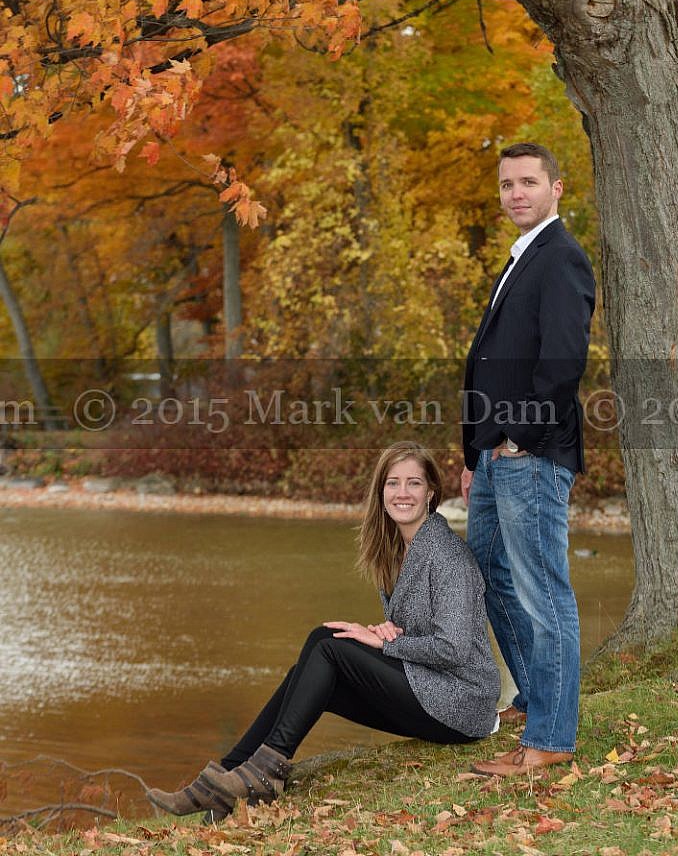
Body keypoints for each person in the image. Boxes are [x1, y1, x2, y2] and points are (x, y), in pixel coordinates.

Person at [147, 441, 500, 817]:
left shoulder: (447, 556)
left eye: (413, 483)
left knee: (328, 646)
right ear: (380, 493)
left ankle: (267, 771)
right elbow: (424, 629)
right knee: (308, 671)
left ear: (431, 492)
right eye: (392, 483)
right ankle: (227, 778)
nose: (402, 493)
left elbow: (454, 649)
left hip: (462, 704)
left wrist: (384, 646)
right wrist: (390, 633)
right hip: (428, 685)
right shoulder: (400, 550)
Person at [461, 142, 595, 778]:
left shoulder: (561, 258)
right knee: (487, 574)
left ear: (556, 188)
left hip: (530, 453)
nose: (516, 193)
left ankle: (550, 738)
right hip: (493, 455)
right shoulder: (520, 260)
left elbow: (563, 364)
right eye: (507, 184)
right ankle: (537, 699)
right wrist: (474, 451)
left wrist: (518, 437)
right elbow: (490, 362)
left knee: (545, 594)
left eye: (529, 182)